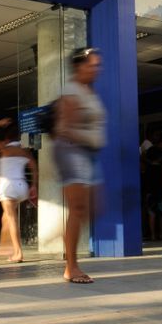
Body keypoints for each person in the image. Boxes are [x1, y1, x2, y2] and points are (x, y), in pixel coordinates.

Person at [53, 47, 106, 284]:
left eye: (98, 65)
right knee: (78, 209)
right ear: (79, 66)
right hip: (72, 152)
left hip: (89, 153)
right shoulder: (71, 90)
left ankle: (62, 234)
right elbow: (64, 129)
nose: (97, 69)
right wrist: (91, 138)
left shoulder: (89, 91)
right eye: (92, 65)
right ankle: (71, 267)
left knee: (95, 208)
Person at [0, 118, 38, 263]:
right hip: (21, 186)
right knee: (6, 216)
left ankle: (18, 252)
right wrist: (33, 186)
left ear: (6, 137)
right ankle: (5, 245)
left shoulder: (3, 148)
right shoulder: (25, 151)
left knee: (11, 219)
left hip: (8, 186)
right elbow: (34, 168)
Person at [144, 145, 162, 241]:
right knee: (161, 213)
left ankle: (153, 235)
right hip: (160, 193)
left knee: (151, 213)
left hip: (150, 193)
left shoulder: (147, 168)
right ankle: (161, 234)